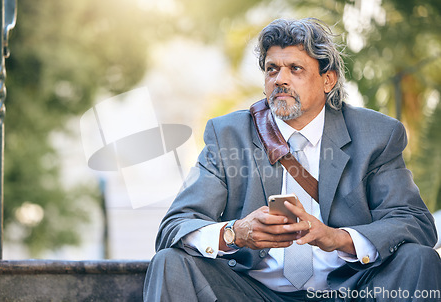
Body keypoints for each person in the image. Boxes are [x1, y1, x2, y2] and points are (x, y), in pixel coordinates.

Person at [143, 18, 441, 302]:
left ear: (328, 80)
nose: (280, 79)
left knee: (418, 258)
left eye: (295, 69)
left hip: (351, 288)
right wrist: (235, 233)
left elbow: (415, 223)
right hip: (250, 290)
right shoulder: (228, 135)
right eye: (272, 69)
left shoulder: (376, 134)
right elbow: (175, 226)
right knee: (170, 262)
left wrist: (337, 238)